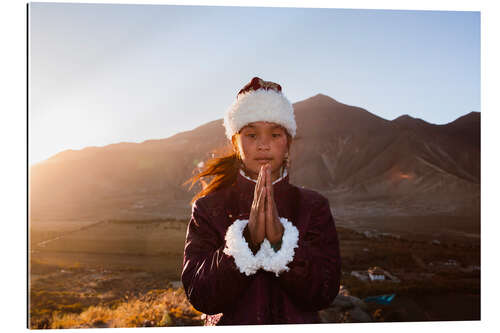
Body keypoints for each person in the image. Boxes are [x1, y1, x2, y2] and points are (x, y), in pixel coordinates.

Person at [181, 77, 341, 325]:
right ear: (236, 143)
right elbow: (200, 295)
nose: (263, 144)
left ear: (287, 143)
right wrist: (245, 244)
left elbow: (323, 292)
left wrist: (283, 245)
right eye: (252, 134)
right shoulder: (209, 208)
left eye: (275, 134)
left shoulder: (313, 206)